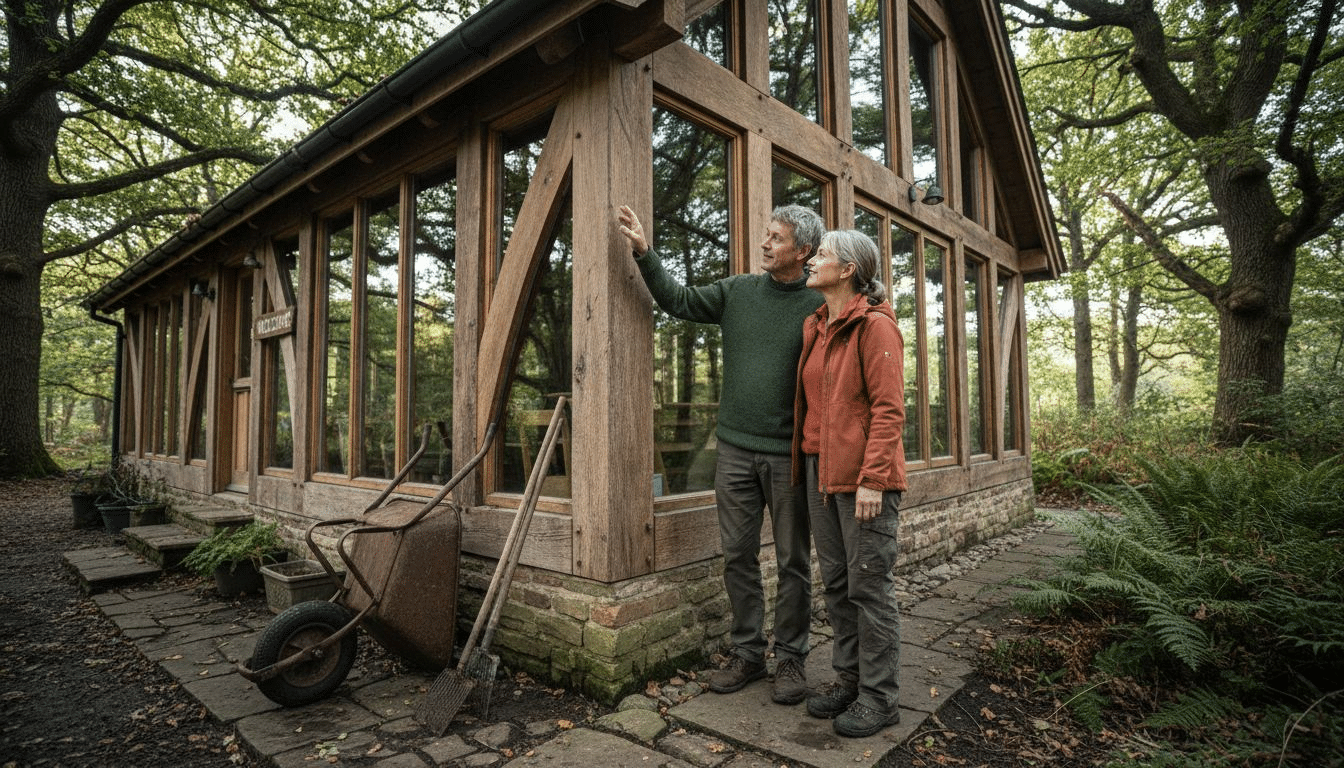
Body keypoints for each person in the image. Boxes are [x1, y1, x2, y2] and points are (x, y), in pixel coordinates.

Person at [617, 203, 823, 705]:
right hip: (733, 451)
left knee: (794, 559)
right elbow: (679, 301)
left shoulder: (820, 304)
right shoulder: (738, 292)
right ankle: (749, 653)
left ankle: (791, 657)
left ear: (803, 251)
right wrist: (645, 252)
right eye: (766, 233)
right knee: (738, 555)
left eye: (775, 238)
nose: (764, 244)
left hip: (790, 456)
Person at [791, 229, 907, 738]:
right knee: (838, 586)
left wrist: (874, 479)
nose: (812, 260)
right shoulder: (816, 325)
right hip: (822, 473)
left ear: (848, 271)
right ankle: (850, 681)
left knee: (869, 588)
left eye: (822, 255)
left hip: (865, 480)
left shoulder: (875, 327)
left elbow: (889, 410)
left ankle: (881, 699)